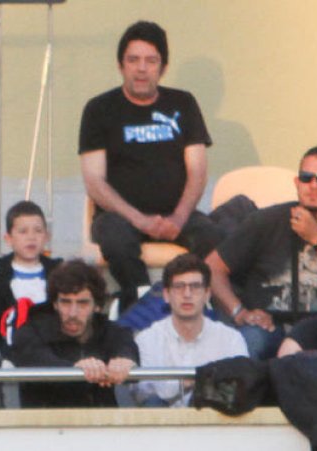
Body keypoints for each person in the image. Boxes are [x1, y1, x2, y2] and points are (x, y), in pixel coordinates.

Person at [79, 20, 221, 309]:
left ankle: (209, 311)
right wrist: (139, 220)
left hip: (177, 215)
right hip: (120, 217)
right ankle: (145, 305)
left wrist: (179, 218)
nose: (141, 68)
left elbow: (198, 171)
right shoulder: (99, 110)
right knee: (117, 242)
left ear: (163, 67)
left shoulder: (184, 103)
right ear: (121, 66)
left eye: (150, 61)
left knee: (213, 237)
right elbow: (94, 181)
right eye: (133, 60)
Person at [207, 145, 317, 360]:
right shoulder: (265, 221)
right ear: (297, 183)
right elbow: (212, 268)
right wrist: (238, 312)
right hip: (267, 325)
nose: (314, 185)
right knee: (249, 343)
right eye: (306, 178)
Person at [11, 259, 138, 408]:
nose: (73, 313)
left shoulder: (110, 331)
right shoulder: (31, 332)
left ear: (97, 306)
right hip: (45, 425)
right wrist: (77, 368)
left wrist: (125, 361)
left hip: (100, 426)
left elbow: (126, 346)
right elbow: (39, 363)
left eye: (82, 303)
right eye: (65, 302)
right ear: (55, 304)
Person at [129, 253, 247, 407]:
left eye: (195, 287)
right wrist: (182, 384)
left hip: (212, 424)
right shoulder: (147, 339)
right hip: (163, 426)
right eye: (179, 287)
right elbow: (140, 394)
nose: (187, 294)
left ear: (207, 294)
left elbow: (241, 388)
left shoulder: (231, 339)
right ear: (166, 295)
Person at [0, 200, 62, 358]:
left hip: (55, 354)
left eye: (38, 231)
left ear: (47, 236)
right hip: (10, 355)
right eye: (23, 231)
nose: (31, 237)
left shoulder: (62, 274)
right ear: (8, 239)